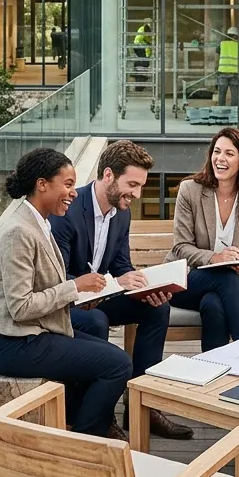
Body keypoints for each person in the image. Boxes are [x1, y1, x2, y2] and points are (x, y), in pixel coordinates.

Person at [0, 148, 133, 439]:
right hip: (9, 342)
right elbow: (20, 307)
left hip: (31, 332)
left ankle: (77, 424)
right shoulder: (18, 231)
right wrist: (75, 287)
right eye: (68, 184)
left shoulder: (40, 223)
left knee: (106, 349)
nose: (73, 193)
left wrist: (80, 295)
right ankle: (85, 442)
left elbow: (43, 289)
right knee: (118, 365)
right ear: (42, 184)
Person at [51, 141, 193, 441]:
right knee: (96, 322)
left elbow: (121, 265)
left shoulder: (122, 213)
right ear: (107, 176)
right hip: (68, 303)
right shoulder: (68, 209)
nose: (138, 194)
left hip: (100, 296)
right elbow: (59, 277)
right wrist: (117, 283)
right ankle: (97, 415)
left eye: (141, 186)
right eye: (132, 184)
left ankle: (142, 405)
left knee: (158, 307)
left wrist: (145, 286)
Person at [167, 128, 239, 351]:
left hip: (223, 290)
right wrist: (216, 258)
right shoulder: (190, 190)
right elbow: (181, 247)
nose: (220, 159)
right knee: (226, 278)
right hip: (185, 281)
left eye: (229, 154)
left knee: (213, 305)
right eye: (217, 151)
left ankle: (213, 369)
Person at [216, 27, 239, 108]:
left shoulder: (222, 44)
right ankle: (234, 113)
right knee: (235, 95)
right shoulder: (238, 45)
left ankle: (221, 111)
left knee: (222, 94)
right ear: (236, 36)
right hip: (234, 73)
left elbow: (217, 53)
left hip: (223, 73)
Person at [132, 18, 152, 84]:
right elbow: (138, 41)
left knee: (144, 65)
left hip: (144, 51)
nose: (151, 24)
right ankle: (139, 79)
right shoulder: (143, 29)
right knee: (143, 65)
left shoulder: (147, 29)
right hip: (141, 49)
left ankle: (141, 80)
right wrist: (146, 43)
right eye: (150, 23)